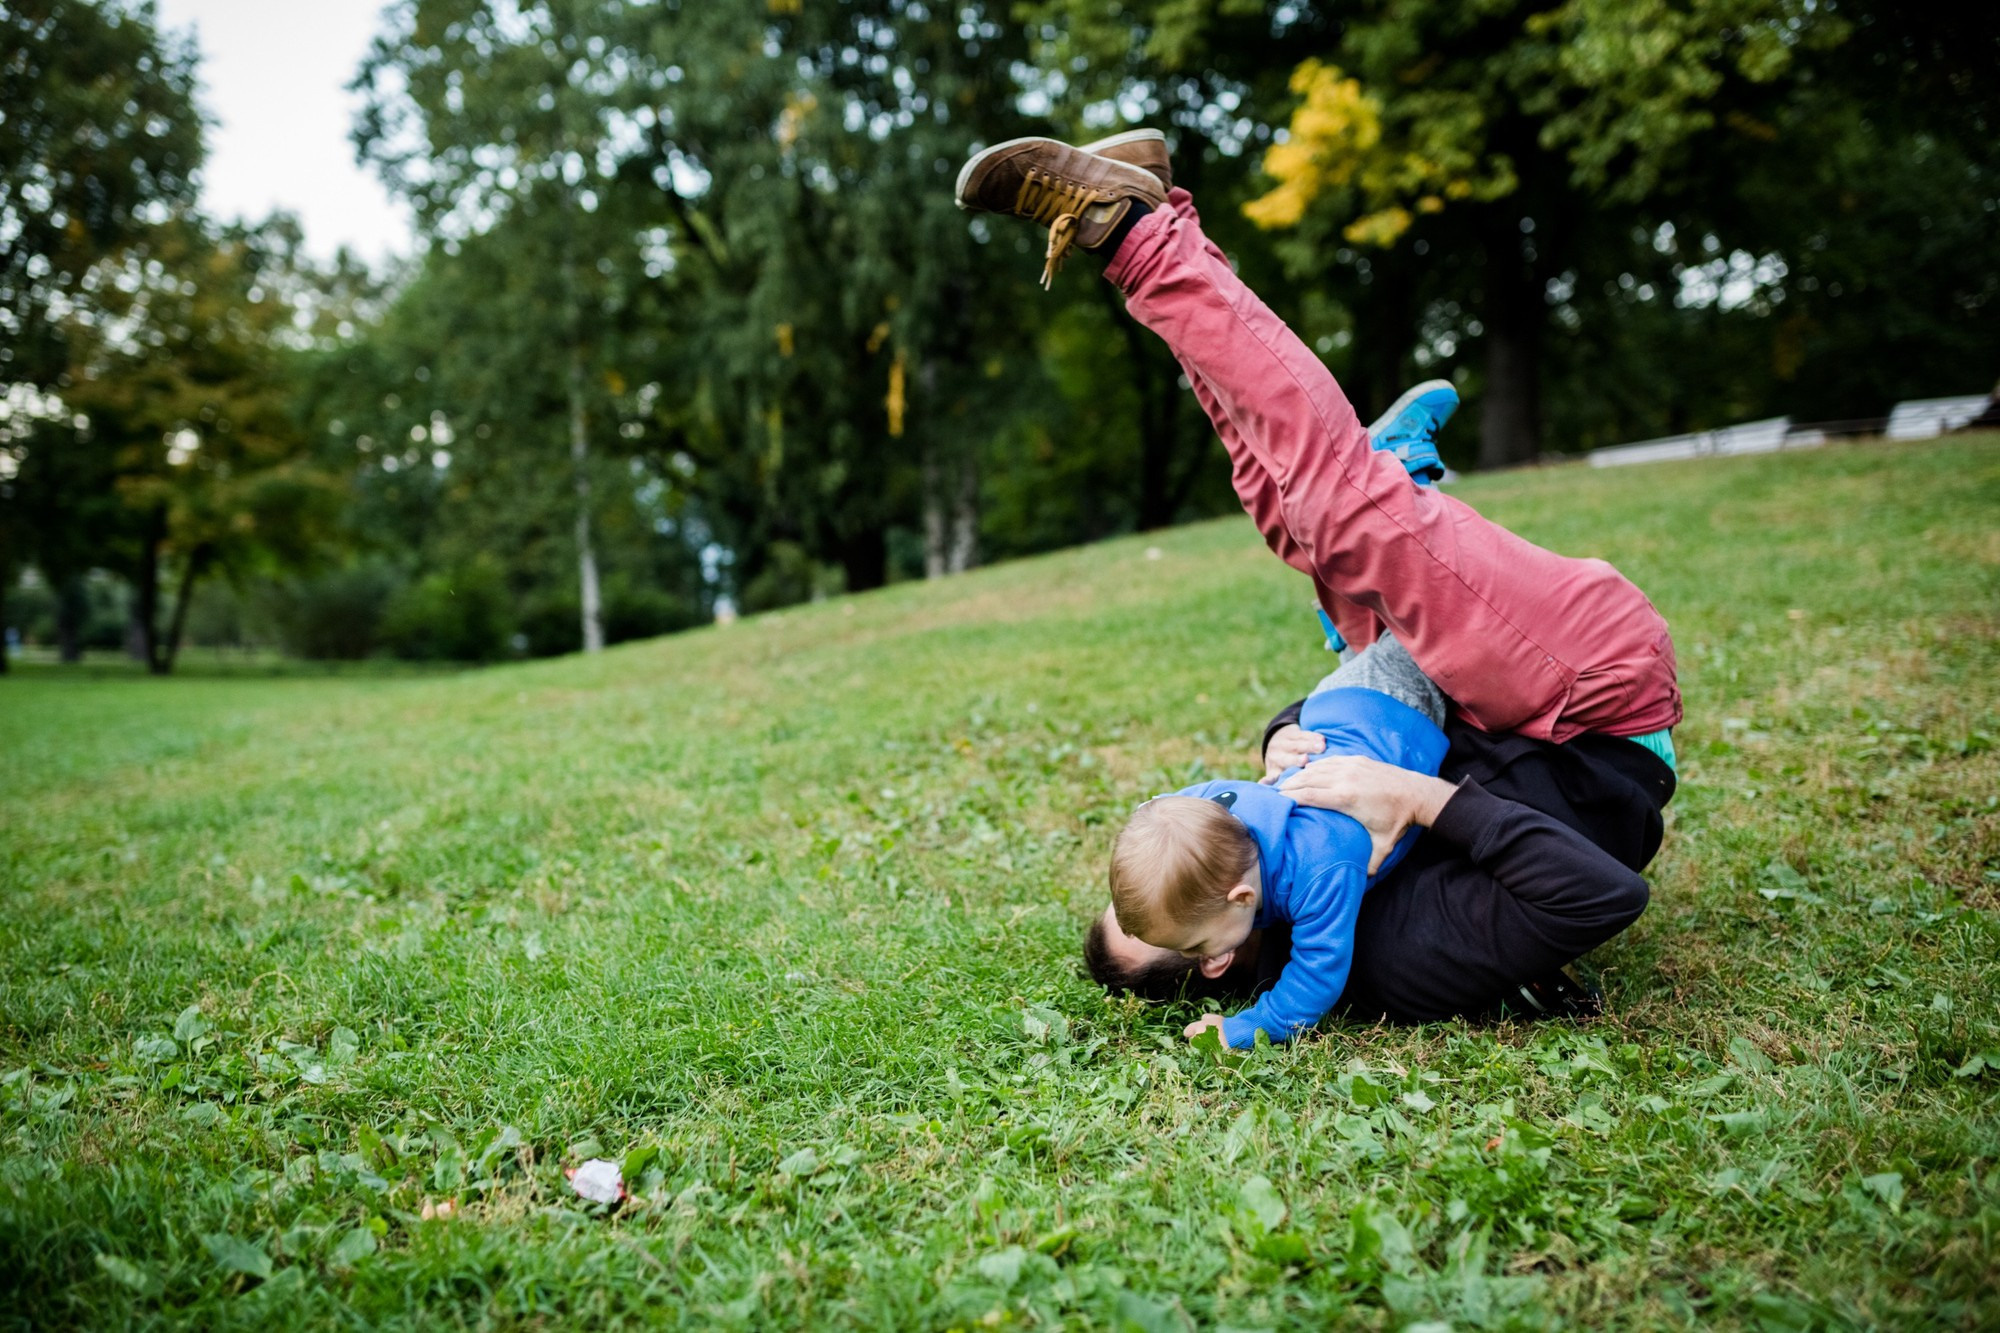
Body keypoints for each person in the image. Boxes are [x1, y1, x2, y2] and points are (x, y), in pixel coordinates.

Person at [954, 135, 1683, 1039]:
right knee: (1344, 509)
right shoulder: (1399, 962)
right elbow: (1605, 894)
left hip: (1473, 699)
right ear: (1222, 950)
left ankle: (1166, 214)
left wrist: (1286, 736)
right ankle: (1132, 234)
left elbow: (1368, 712)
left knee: (1290, 516)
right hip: (1590, 702)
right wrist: (1418, 800)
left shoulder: (1270, 854)